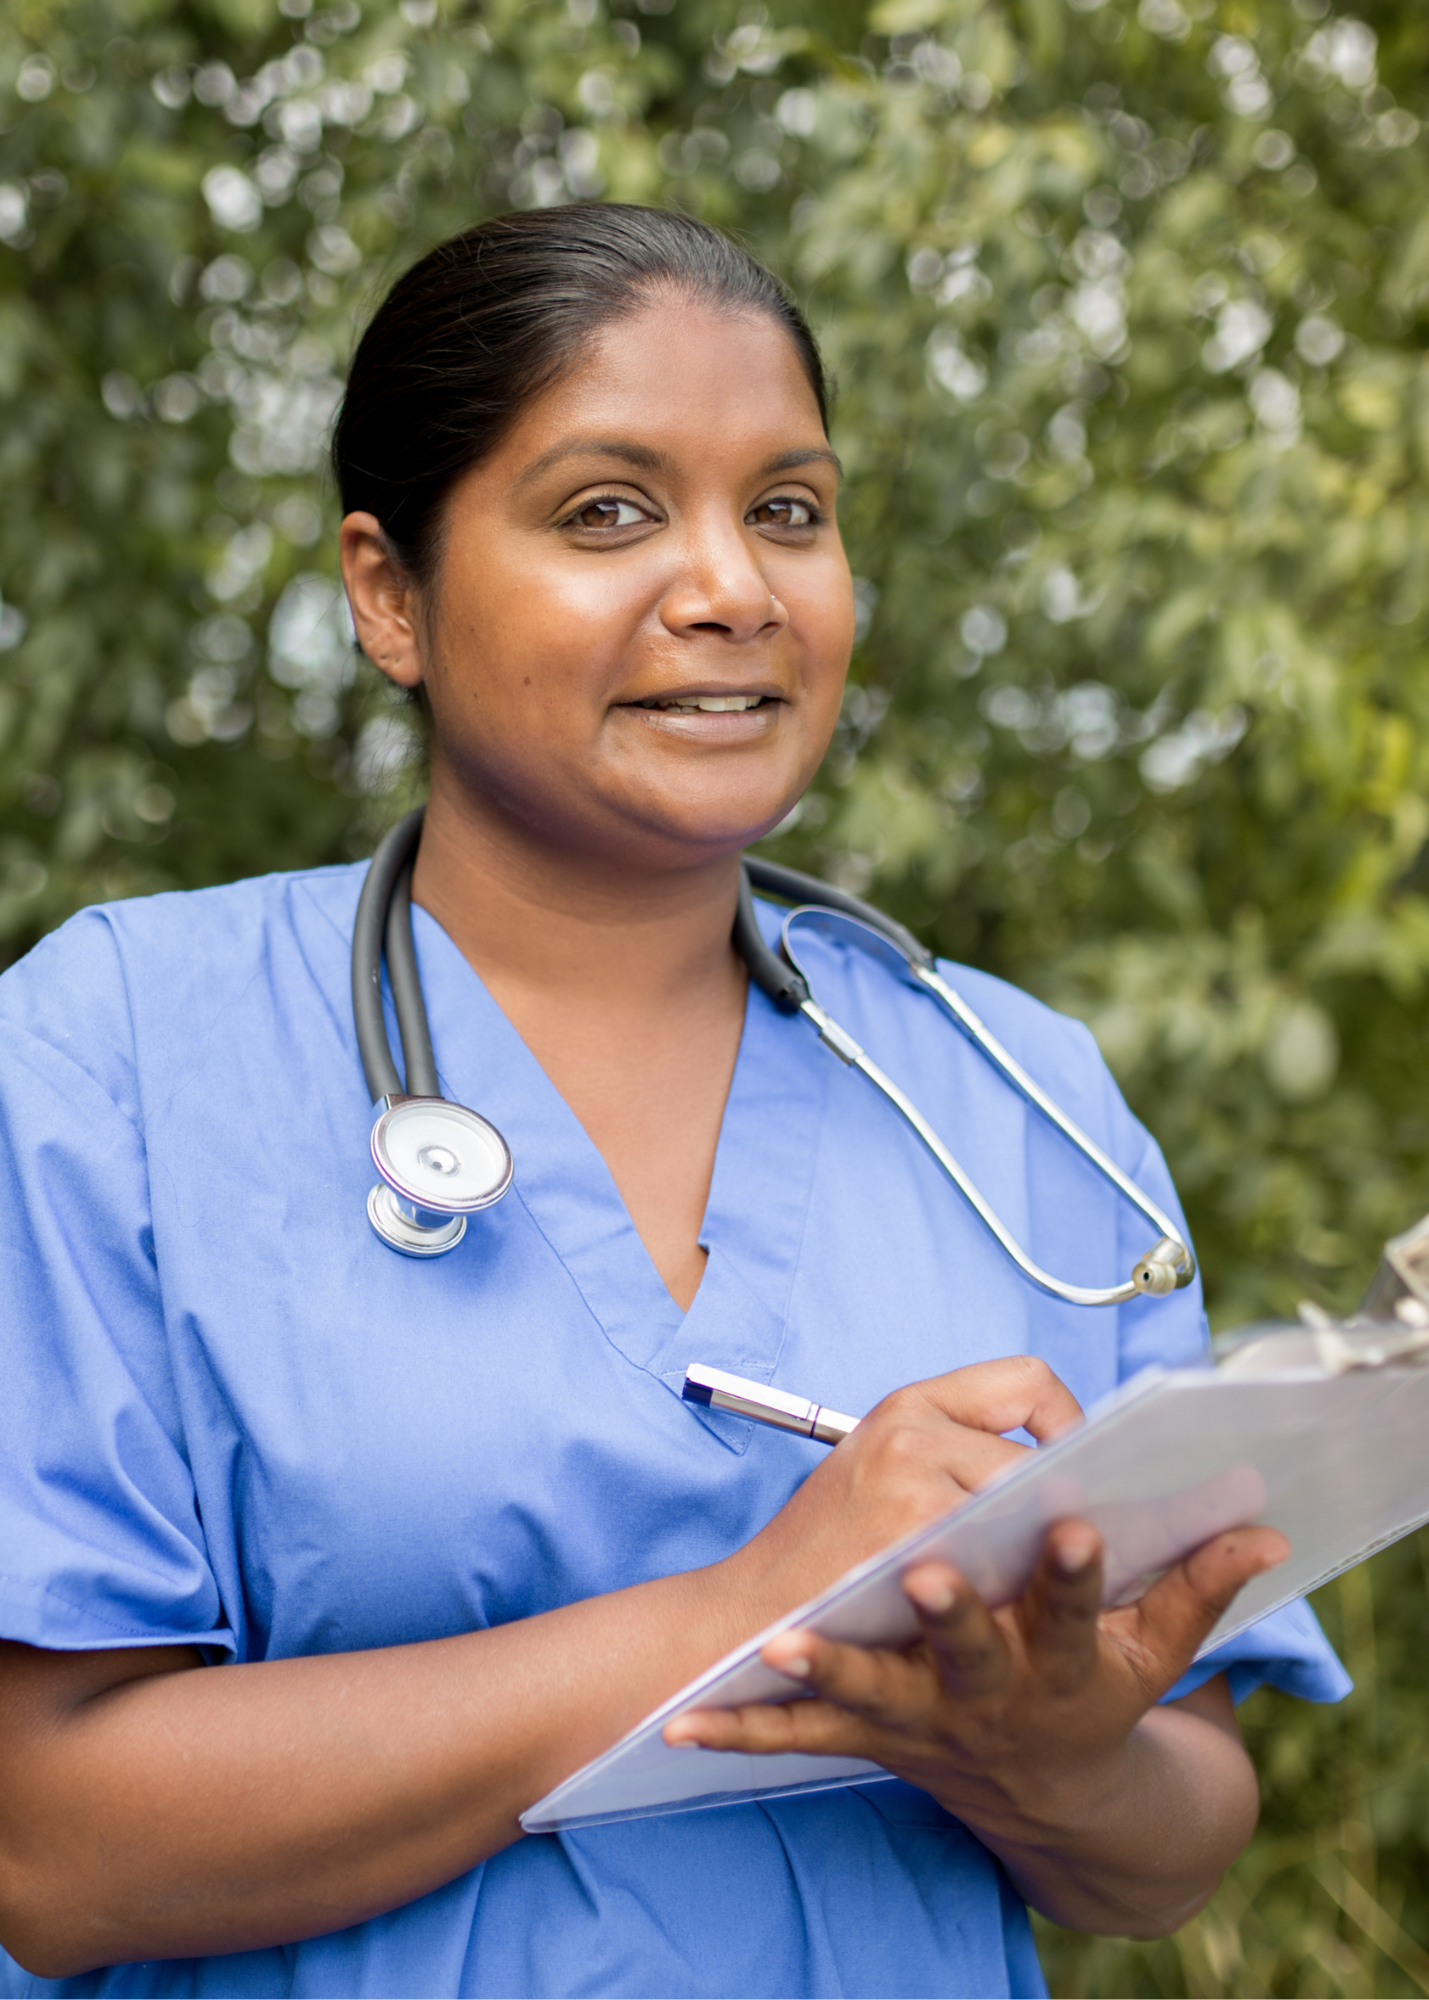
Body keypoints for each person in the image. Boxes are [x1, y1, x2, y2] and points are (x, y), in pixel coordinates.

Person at [0, 204, 1347, 2000]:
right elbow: (53, 1849)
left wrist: (1059, 1765)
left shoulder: (1011, 1092)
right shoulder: (117, 1052)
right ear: (389, 595)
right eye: (608, 511)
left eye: (788, 509)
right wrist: (744, 1616)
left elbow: (1172, 1845)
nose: (734, 584)